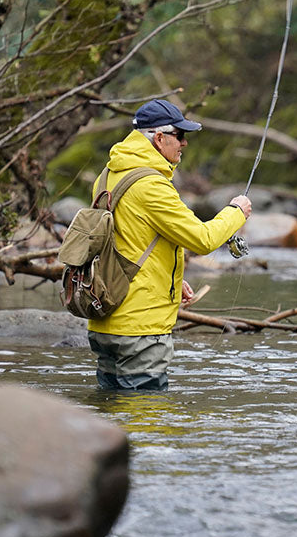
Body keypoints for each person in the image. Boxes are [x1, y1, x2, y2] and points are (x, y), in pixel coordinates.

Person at [87, 99, 251, 391]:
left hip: (104, 322)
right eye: (180, 135)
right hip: (139, 330)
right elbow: (203, 240)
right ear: (159, 138)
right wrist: (236, 212)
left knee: (110, 417)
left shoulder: (108, 174)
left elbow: (128, 242)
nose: (185, 143)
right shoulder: (151, 186)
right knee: (147, 423)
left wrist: (170, 281)